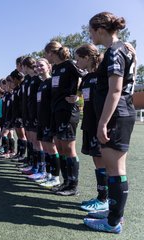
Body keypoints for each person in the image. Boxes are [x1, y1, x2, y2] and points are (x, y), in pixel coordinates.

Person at [84, 12, 136, 234]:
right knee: (115, 169)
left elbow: (115, 90)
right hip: (122, 112)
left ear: (100, 30)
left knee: (116, 170)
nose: (89, 35)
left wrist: (102, 123)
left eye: (90, 30)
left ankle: (113, 222)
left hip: (117, 114)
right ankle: (113, 214)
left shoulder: (115, 51)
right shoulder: (122, 49)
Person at [44, 41, 84, 196]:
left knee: (68, 148)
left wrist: (78, 96)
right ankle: (66, 183)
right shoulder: (55, 68)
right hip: (56, 111)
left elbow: (84, 76)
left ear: (51, 53)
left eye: (46, 54)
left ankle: (73, 185)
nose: (45, 57)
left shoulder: (70, 64)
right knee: (59, 146)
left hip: (68, 111)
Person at [74, 44, 108, 212]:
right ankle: (102, 197)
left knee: (104, 160)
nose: (76, 61)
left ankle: (105, 199)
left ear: (87, 57)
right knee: (96, 159)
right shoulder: (86, 78)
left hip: (99, 123)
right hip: (88, 122)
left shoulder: (103, 74)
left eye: (78, 58)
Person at [35, 58, 61, 188]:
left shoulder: (52, 82)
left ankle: (55, 177)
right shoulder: (41, 84)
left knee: (52, 148)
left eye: (41, 65)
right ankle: (48, 175)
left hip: (50, 120)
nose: (39, 68)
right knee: (45, 148)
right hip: (41, 120)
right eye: (37, 66)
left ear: (49, 67)